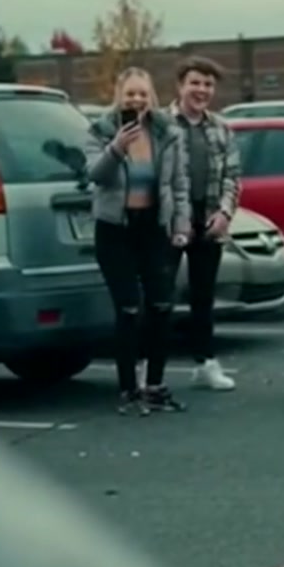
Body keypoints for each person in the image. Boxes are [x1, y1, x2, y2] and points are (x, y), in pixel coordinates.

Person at [87, 66, 190, 415]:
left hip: (152, 227)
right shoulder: (101, 130)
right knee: (129, 308)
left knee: (161, 305)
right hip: (114, 228)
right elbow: (96, 175)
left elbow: (179, 183)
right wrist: (117, 147)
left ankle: (155, 386)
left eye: (142, 94)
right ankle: (128, 390)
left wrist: (181, 224)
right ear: (119, 95)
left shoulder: (166, 132)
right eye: (130, 93)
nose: (136, 100)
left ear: (151, 97)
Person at [169, 57, 241, 391]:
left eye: (208, 84)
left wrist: (224, 213)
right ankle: (148, 367)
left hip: (208, 220)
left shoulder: (222, 128)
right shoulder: (161, 125)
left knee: (203, 298)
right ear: (180, 86)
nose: (202, 90)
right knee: (160, 296)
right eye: (195, 83)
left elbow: (232, 176)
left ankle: (205, 363)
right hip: (170, 222)